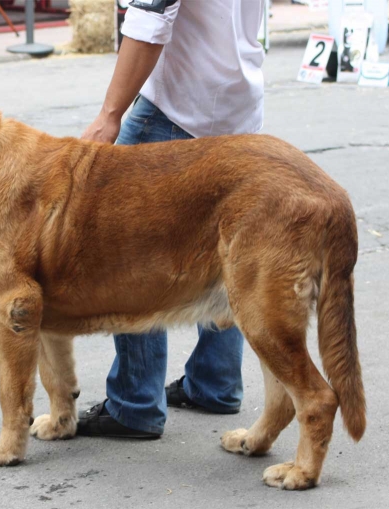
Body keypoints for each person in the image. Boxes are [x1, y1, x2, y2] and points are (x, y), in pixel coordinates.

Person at [77, 0, 265, 438]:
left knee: (126, 255)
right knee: (226, 250)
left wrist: (109, 116)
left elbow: (150, 18)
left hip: (180, 102)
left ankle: (134, 403)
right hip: (239, 93)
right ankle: (215, 383)